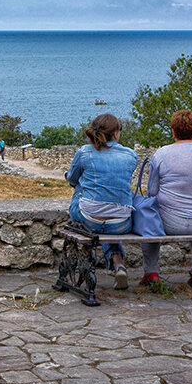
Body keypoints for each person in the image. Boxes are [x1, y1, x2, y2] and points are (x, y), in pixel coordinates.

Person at [139, 111, 192, 288]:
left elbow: (152, 192)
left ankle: (152, 271)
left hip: (170, 222)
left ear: (173, 131)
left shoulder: (162, 154)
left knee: (147, 221)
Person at [65, 113, 138, 289]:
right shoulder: (131, 155)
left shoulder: (84, 153)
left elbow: (71, 180)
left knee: (81, 189)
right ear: (116, 134)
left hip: (89, 218)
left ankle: (102, 265)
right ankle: (117, 261)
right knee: (108, 220)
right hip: (121, 223)